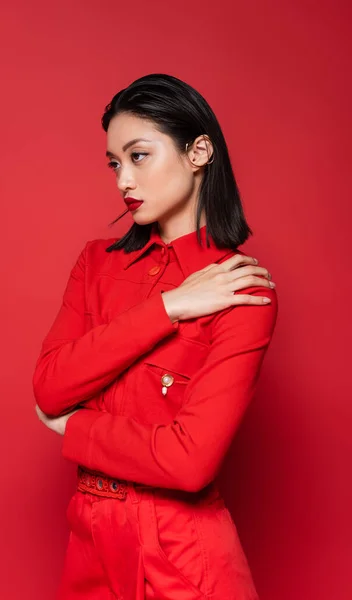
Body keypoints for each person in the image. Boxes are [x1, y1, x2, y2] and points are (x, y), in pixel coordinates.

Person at [33, 73, 278, 600]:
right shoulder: (96, 264)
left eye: (139, 155)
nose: (123, 179)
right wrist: (170, 306)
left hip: (185, 559)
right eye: (114, 162)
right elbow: (48, 388)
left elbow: (189, 463)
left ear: (198, 152)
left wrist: (74, 429)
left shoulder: (240, 287)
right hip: (90, 547)